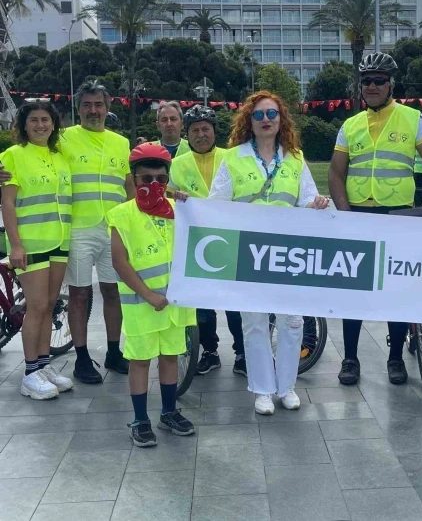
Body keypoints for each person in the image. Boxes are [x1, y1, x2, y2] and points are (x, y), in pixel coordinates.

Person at [328, 51, 422, 387]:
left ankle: (396, 357)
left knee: (397, 291)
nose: (372, 86)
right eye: (366, 81)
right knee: (355, 292)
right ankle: (350, 358)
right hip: (359, 215)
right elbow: (335, 175)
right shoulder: (350, 124)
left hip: (399, 216)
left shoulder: (414, 119)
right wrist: (345, 216)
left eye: (379, 81)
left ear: (391, 84)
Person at [0, 83, 134, 384]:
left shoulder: (120, 142)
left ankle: (114, 351)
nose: (93, 110)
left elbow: (129, 186)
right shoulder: (63, 139)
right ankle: (82, 359)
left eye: (99, 104)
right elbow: (24, 158)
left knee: (112, 292)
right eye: (87, 104)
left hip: (111, 229)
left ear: (107, 106)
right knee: (79, 294)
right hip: (75, 230)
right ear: (78, 108)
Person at [208, 91, 329, 415]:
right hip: (248, 253)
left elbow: (306, 198)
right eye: (259, 115)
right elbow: (216, 204)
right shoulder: (232, 158)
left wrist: (316, 204)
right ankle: (262, 389)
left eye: (271, 114)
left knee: (292, 321)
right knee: (255, 322)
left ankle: (286, 386)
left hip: (289, 254)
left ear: (281, 119)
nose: (266, 120)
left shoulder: (295, 158)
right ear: (249, 120)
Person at [108, 143, 196, 447]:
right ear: (134, 179)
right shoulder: (121, 214)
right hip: (142, 304)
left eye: (161, 179)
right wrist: (147, 295)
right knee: (141, 361)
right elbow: (120, 262)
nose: (154, 185)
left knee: (170, 355)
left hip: (174, 304)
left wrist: (184, 201)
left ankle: (169, 411)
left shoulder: (177, 210)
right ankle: (140, 419)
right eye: (147, 179)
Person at [0, 101, 74, 399]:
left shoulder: (59, 157)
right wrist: (15, 245)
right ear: (23, 125)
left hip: (59, 241)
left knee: (50, 304)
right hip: (30, 243)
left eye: (46, 120)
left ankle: (43, 366)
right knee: (37, 306)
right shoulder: (13, 156)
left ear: (54, 125)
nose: (40, 125)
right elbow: (7, 203)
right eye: (34, 120)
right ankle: (30, 373)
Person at [168, 105, 246, 375]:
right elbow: (168, 197)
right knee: (203, 303)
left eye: (206, 129)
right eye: (195, 130)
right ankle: (209, 352)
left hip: (231, 240)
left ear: (215, 131)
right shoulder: (176, 164)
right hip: (196, 242)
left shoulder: (232, 157)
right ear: (187, 135)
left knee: (235, 302)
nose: (201, 135)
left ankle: (242, 352)